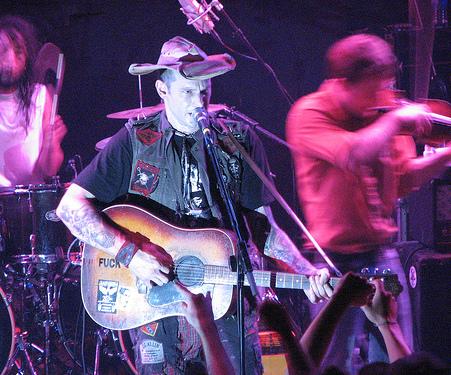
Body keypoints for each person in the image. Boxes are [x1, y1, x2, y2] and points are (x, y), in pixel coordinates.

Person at [57, 36, 329, 375]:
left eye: (205, 91)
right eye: (187, 92)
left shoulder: (237, 141)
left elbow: (265, 229)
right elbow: (71, 207)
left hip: (227, 301)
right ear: (162, 90)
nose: (198, 101)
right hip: (158, 306)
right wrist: (129, 253)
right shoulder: (134, 140)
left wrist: (305, 272)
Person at [286, 33, 451, 372]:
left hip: (382, 253)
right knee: (333, 363)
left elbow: (404, 178)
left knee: (400, 358)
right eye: (376, 88)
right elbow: (352, 153)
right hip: (333, 262)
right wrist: (394, 122)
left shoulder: (380, 115)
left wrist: (446, 155)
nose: (385, 98)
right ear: (343, 83)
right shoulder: (309, 112)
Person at [0, 15, 66, 187]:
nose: (10, 60)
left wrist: (51, 144)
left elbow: (49, 170)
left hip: (32, 203)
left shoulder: (40, 96)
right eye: (2, 51)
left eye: (18, 51)